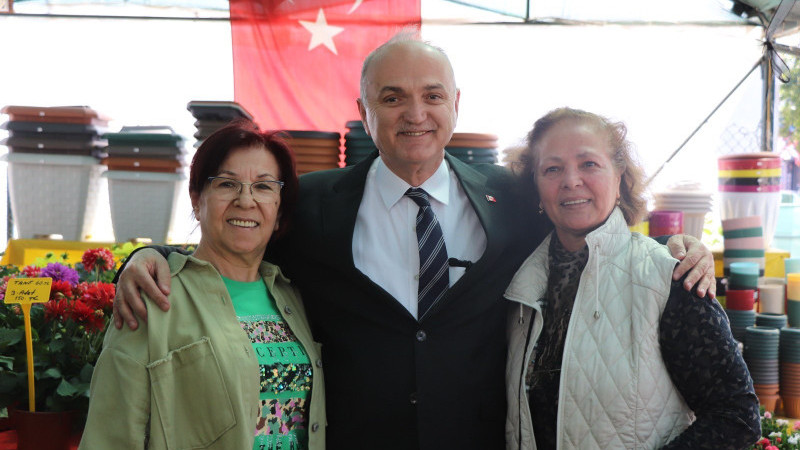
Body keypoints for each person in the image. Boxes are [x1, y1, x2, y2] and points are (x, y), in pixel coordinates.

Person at [112, 32, 716, 450]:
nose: (415, 113)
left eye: (431, 95)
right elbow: (233, 239)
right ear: (364, 110)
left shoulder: (513, 201)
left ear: (455, 105)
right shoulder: (313, 203)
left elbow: (584, 223)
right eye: (392, 97)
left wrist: (677, 251)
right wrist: (149, 257)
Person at [505, 107, 760, 450]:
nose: (571, 180)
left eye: (588, 164)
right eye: (552, 168)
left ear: (619, 177)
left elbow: (737, 417)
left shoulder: (670, 277)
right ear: (535, 185)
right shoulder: (519, 283)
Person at [79, 121, 325, 450]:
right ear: (197, 200)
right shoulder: (154, 296)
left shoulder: (294, 297)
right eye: (227, 184)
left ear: (280, 211)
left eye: (264, 187)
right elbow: (110, 437)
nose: (246, 200)